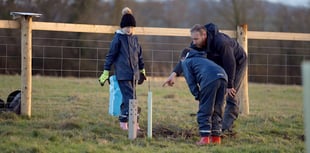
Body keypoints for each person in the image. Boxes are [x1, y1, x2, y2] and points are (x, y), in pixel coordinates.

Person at [163, 23, 247, 136]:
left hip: (237, 62)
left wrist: (230, 85)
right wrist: (174, 74)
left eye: (196, 39)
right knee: (217, 95)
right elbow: (187, 57)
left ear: (204, 35)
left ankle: (226, 128)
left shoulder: (222, 43)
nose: (193, 42)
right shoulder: (196, 43)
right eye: (192, 39)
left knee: (230, 95)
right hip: (219, 65)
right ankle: (214, 125)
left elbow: (230, 63)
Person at [98, 7, 146, 130]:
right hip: (123, 74)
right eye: (127, 27)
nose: (129, 30)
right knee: (130, 97)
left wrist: (142, 70)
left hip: (134, 74)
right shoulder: (118, 39)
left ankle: (130, 121)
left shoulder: (135, 39)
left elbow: (139, 55)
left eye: (131, 27)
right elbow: (110, 55)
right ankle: (127, 122)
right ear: (122, 27)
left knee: (132, 97)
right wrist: (106, 71)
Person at [180, 48, 227, 145]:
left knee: (205, 109)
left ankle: (204, 139)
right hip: (223, 76)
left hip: (210, 79)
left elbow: (191, 82)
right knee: (218, 108)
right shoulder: (203, 59)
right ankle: (216, 138)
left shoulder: (186, 62)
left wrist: (198, 96)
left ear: (183, 58)